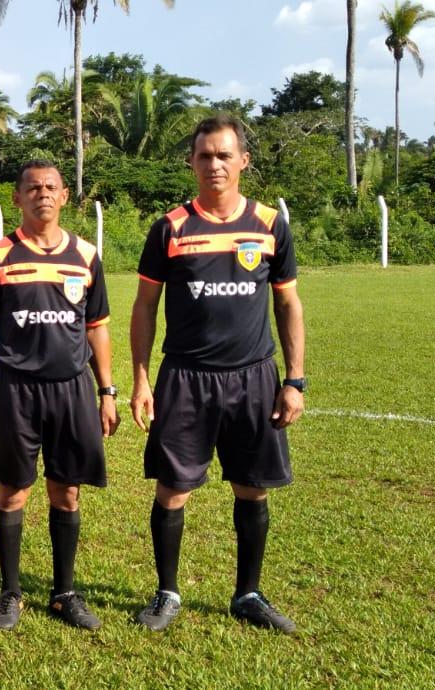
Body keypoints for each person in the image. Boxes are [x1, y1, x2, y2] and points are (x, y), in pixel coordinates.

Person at [129, 115, 306, 634]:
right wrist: (141, 379)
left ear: (243, 161)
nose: (214, 165)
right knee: (172, 489)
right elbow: (145, 307)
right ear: (191, 161)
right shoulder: (170, 227)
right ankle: (166, 592)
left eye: (224, 155)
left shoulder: (270, 224)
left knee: (252, 487)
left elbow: (288, 303)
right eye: (204, 156)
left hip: (253, 377)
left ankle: (248, 594)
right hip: (185, 377)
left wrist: (294, 379)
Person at [0, 160, 119, 631]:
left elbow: (97, 329)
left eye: (51, 187)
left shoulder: (86, 256)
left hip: (72, 389)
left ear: (65, 196)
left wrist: (107, 391)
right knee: (13, 491)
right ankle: (10, 592)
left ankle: (64, 591)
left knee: (66, 491)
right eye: (32, 187)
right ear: (18, 198)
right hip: (14, 390)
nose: (42, 194)